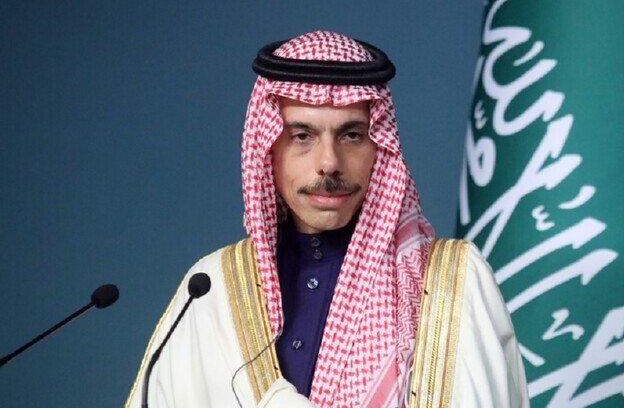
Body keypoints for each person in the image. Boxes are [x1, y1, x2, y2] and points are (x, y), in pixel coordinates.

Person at [125, 30, 529, 408]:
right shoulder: (211, 289)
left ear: (378, 149)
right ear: (267, 149)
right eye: (302, 136)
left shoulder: (450, 284)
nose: (329, 162)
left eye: (351, 135)